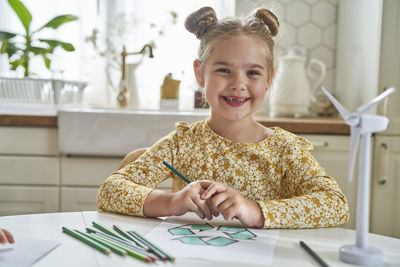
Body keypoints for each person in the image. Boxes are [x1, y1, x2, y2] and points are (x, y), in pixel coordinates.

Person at [97, 6, 349, 228]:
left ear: (269, 78)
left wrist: (254, 210)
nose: (238, 84)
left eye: (252, 72)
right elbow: (110, 191)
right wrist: (173, 201)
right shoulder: (183, 143)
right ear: (201, 73)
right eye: (224, 70)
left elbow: (335, 205)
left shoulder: (285, 150)